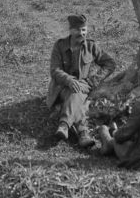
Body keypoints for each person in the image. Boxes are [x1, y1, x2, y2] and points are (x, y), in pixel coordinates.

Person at [48, 14, 115, 147]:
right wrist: (69, 81)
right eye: (78, 30)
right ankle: (83, 133)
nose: (81, 33)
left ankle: (64, 125)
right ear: (71, 30)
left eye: (84, 30)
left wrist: (94, 80)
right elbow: (55, 70)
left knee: (77, 93)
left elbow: (110, 64)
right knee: (78, 95)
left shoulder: (91, 46)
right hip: (62, 87)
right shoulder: (59, 46)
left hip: (84, 85)